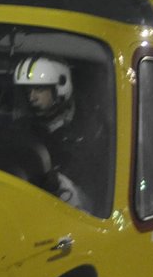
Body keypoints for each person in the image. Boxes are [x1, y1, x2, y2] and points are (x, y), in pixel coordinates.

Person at [13, 56, 102, 212]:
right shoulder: (21, 130)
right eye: (28, 91)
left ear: (60, 87)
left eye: (39, 89)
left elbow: (99, 193)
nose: (31, 97)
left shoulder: (91, 131)